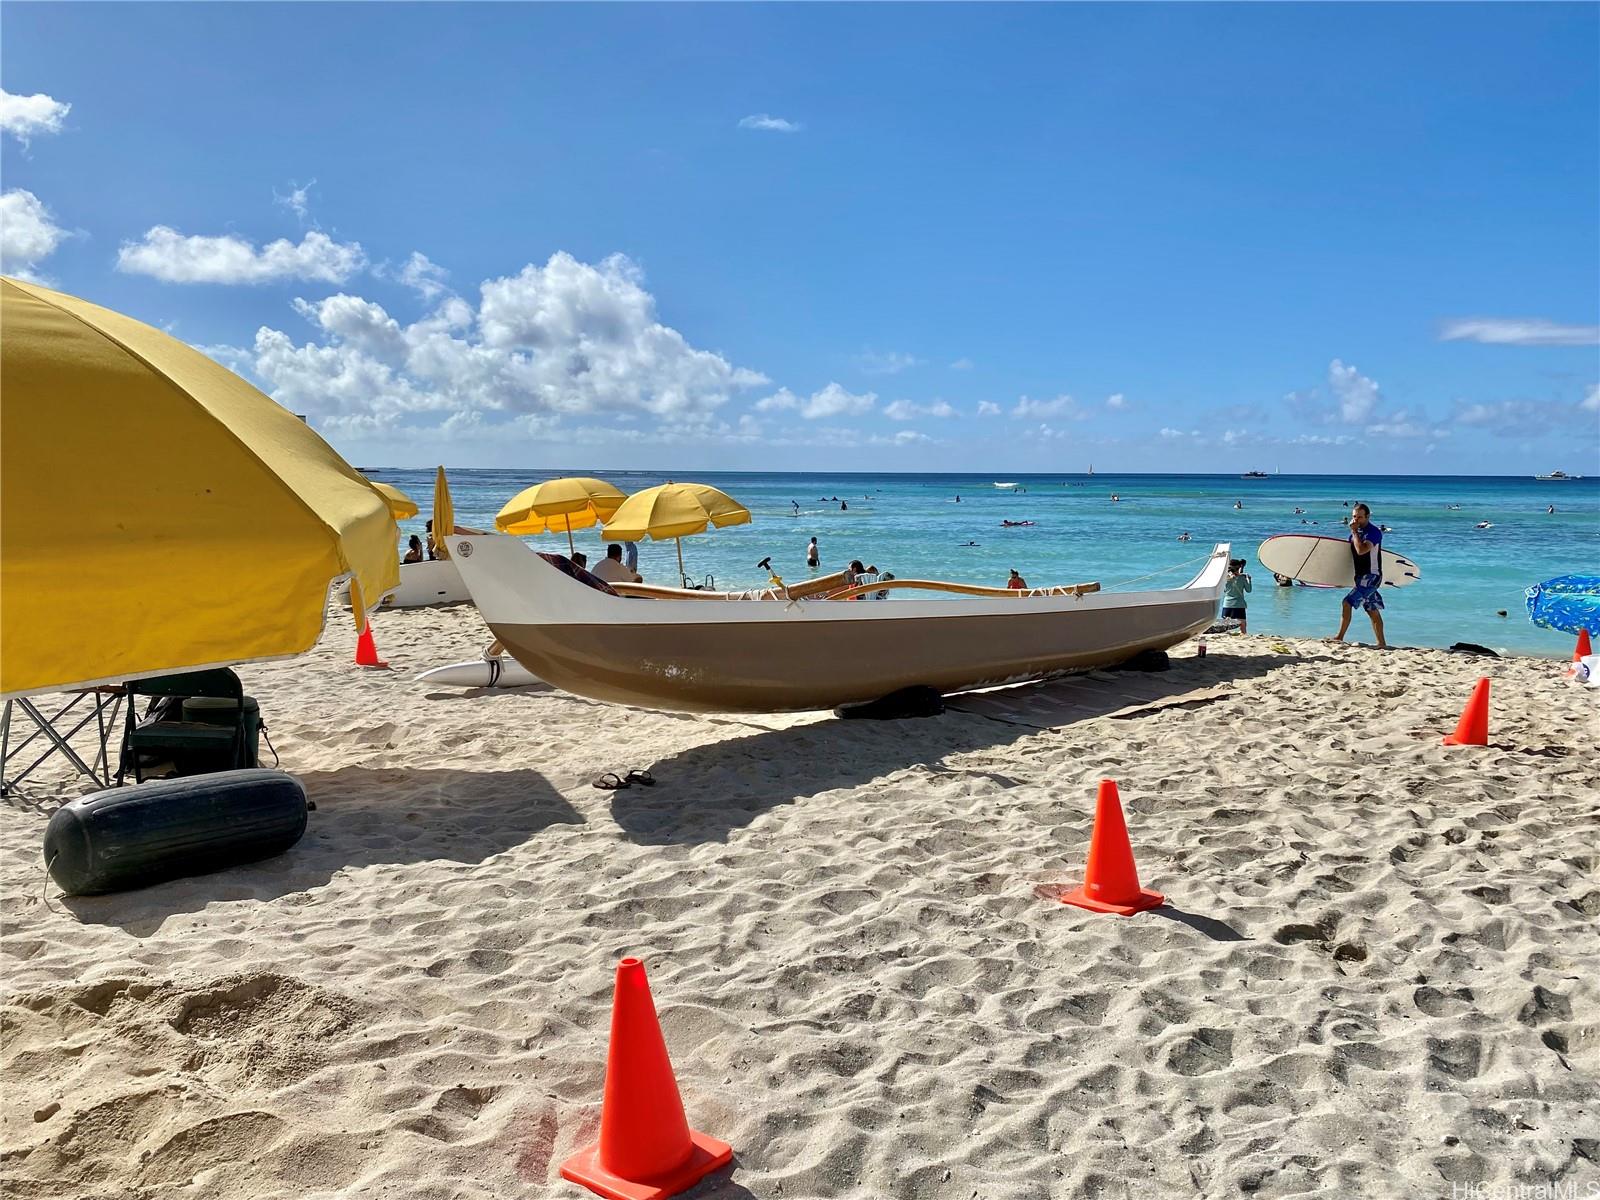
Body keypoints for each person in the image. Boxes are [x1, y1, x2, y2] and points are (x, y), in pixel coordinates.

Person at [1331, 502, 1387, 648]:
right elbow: (1351, 557)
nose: (1356, 520)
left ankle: (1339, 637)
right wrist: (1339, 578)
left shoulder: (1373, 532)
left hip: (1371, 576)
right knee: (1372, 610)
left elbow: (1361, 550)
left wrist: (1354, 532)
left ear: (1367, 517)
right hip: (1360, 577)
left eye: (1360, 517)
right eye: (1354, 517)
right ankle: (1381, 644)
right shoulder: (1354, 534)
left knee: (1346, 602)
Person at [1222, 558, 1251, 633]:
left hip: (1227, 604)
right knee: (1242, 624)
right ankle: (1243, 636)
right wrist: (1249, 579)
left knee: (1225, 625)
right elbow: (1249, 590)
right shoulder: (1243, 578)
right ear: (1239, 568)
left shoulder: (1225, 578)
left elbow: (1224, 590)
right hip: (1239, 604)